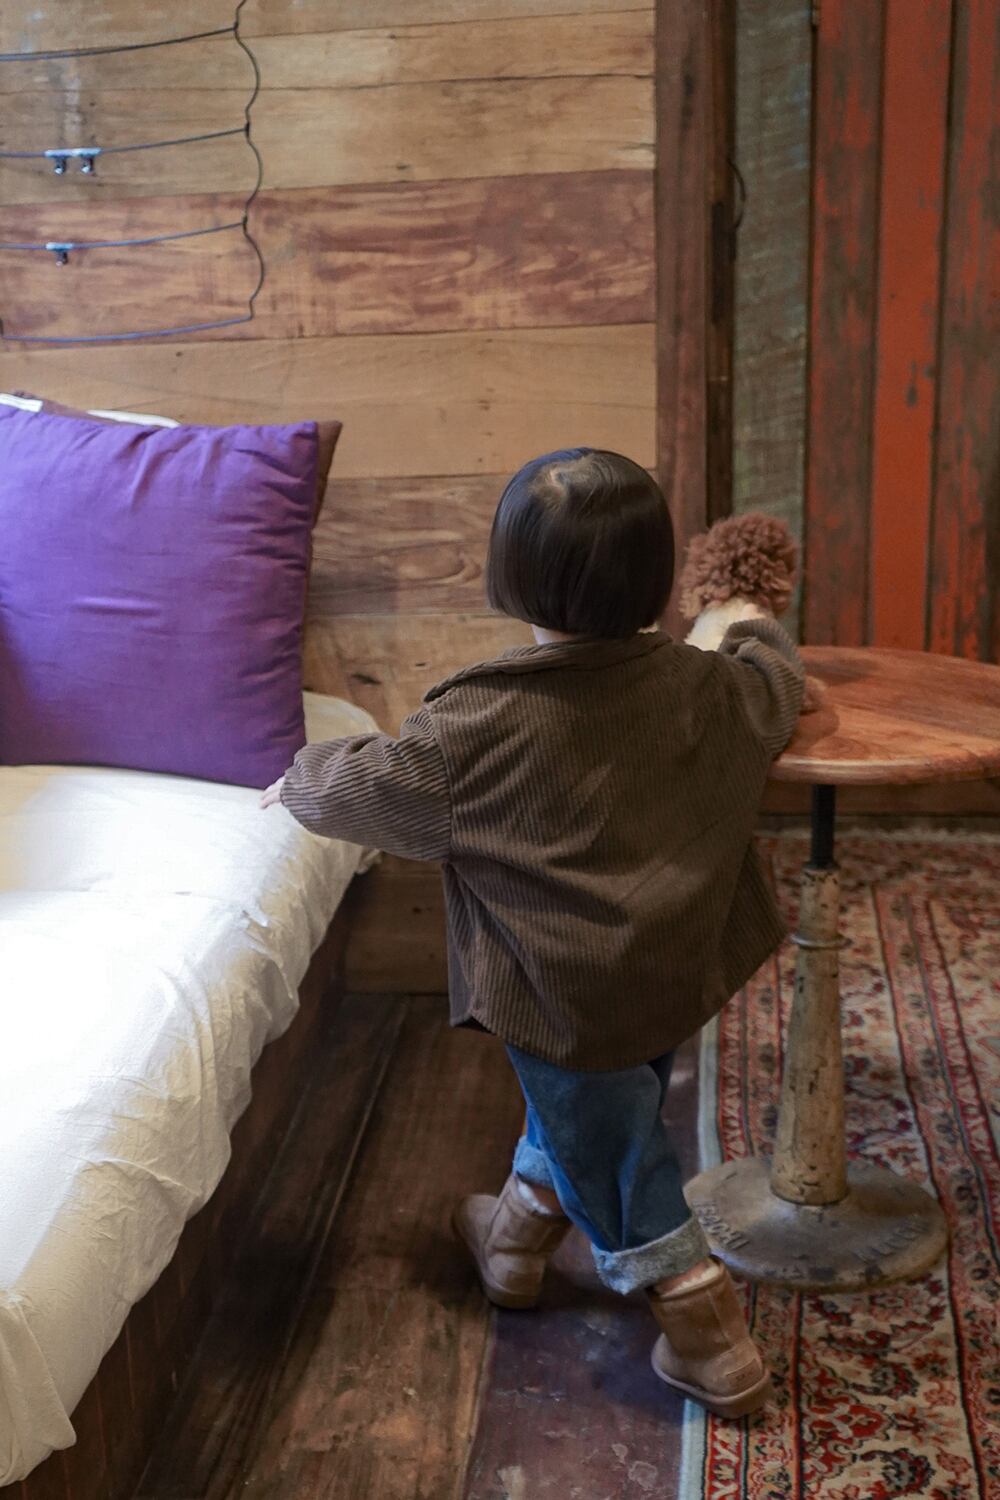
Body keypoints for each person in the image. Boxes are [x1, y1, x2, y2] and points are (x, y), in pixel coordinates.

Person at [262, 448, 804, 1419]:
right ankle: (512, 1246)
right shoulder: (705, 687)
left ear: (507, 572)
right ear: (657, 577)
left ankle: (709, 1337)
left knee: (623, 1159)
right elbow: (771, 683)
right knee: (601, 1116)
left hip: (559, 995)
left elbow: (368, 785)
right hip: (671, 965)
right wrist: (749, 621)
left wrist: (297, 779)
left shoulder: (477, 724)